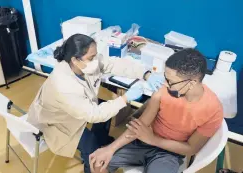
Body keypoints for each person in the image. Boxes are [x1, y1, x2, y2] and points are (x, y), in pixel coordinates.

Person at [27, 34, 165, 173]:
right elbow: (93, 114)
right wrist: (125, 99)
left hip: (77, 108)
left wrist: (146, 73)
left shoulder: (85, 63)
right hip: (57, 121)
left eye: (95, 55)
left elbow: (113, 63)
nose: (95, 60)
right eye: (91, 57)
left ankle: (102, 142)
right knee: (90, 144)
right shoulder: (63, 83)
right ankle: (92, 166)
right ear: (75, 60)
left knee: (106, 108)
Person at [90, 48, 224, 173]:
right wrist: (109, 149)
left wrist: (153, 139)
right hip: (141, 142)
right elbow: (140, 126)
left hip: (169, 153)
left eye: (171, 81)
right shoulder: (165, 90)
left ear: (192, 83)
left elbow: (191, 148)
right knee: (99, 164)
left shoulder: (212, 110)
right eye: (165, 78)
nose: (165, 84)